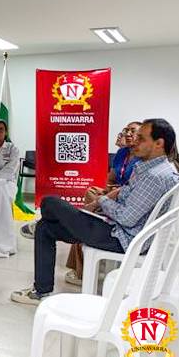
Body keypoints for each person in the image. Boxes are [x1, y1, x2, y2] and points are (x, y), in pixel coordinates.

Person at [11, 118, 179, 305]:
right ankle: (41, 291)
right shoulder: (156, 168)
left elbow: (127, 218)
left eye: (141, 138)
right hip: (118, 230)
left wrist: (102, 201)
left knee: (50, 202)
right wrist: (104, 203)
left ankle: (38, 235)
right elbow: (127, 197)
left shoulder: (154, 176)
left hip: (121, 238)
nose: (134, 141)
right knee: (45, 228)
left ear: (159, 144)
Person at [63, 121, 142, 286]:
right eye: (126, 130)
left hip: (124, 199)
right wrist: (105, 191)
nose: (128, 134)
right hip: (115, 192)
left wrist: (101, 200)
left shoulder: (142, 158)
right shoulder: (122, 152)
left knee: (83, 221)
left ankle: (81, 269)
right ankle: (89, 214)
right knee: (91, 192)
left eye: (133, 131)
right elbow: (111, 177)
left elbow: (128, 188)